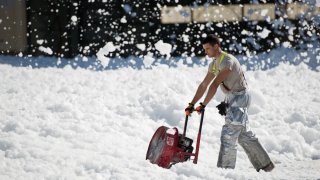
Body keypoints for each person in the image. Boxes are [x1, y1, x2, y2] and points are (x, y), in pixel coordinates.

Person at [185, 34, 274, 172]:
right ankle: (265, 165)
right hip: (232, 99)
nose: (206, 52)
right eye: (204, 49)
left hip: (240, 98)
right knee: (243, 135)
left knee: (229, 134)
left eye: (208, 48)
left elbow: (214, 84)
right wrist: (192, 104)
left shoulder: (227, 61)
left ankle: (224, 171)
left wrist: (203, 105)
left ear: (216, 46)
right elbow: (204, 85)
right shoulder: (214, 64)